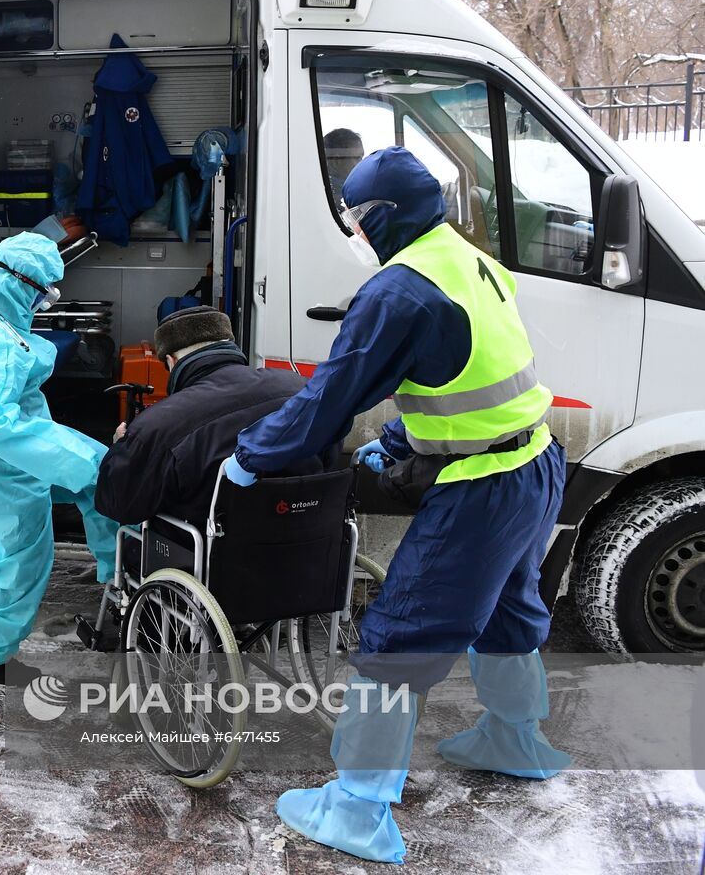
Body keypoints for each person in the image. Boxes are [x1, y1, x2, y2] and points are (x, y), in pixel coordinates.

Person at [224, 147, 569, 864]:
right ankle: (514, 739)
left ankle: (356, 806)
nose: (353, 231)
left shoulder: (397, 292)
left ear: (379, 217)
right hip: (535, 462)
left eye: (354, 218)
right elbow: (464, 368)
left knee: (397, 640)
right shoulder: (466, 258)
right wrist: (400, 439)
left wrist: (252, 455)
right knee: (508, 609)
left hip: (480, 487)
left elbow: (328, 400)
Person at [0, 231, 119, 686]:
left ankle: (119, 585)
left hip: (2, 461)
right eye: (45, 293)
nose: (45, 302)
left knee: (98, 487)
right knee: (22, 560)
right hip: (0, 469)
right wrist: (76, 455)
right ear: (21, 283)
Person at [95, 306, 338, 527]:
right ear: (229, 344)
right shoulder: (304, 390)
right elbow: (330, 457)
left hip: (207, 555)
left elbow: (118, 504)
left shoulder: (157, 426)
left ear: (171, 360)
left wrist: (119, 448)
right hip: (308, 546)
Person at [322, 128, 364, 208]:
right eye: (357, 158)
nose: (362, 163)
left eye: (362, 157)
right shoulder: (336, 198)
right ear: (336, 160)